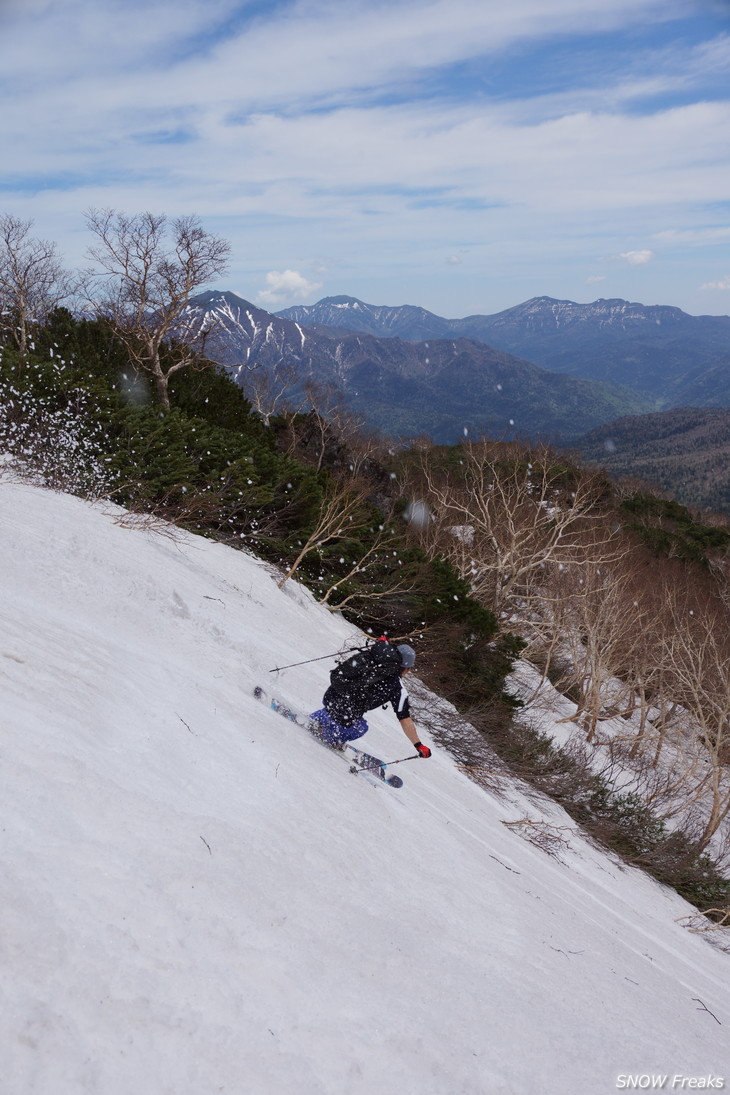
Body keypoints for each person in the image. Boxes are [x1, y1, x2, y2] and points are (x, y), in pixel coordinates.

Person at [309, 642, 432, 757]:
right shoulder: (397, 688)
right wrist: (418, 745)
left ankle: (314, 720)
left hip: (331, 696)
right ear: (406, 668)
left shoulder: (373, 658)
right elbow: (404, 718)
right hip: (346, 712)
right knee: (361, 727)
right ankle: (328, 736)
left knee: (335, 710)